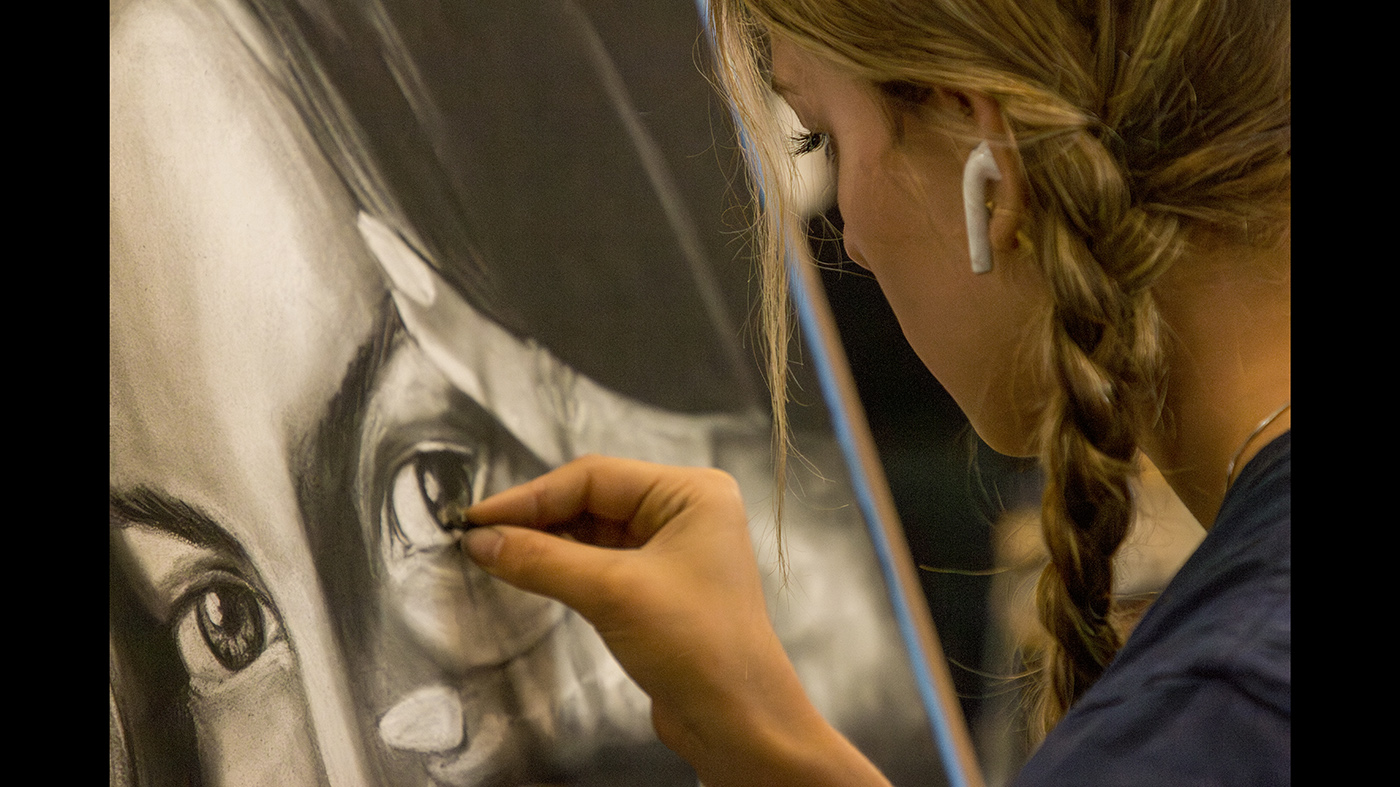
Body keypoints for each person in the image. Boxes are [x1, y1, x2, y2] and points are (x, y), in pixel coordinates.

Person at [459, 1, 1290, 785]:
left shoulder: (1208, 722)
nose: (848, 240)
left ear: (990, 168)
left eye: (820, 140)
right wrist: (775, 748)